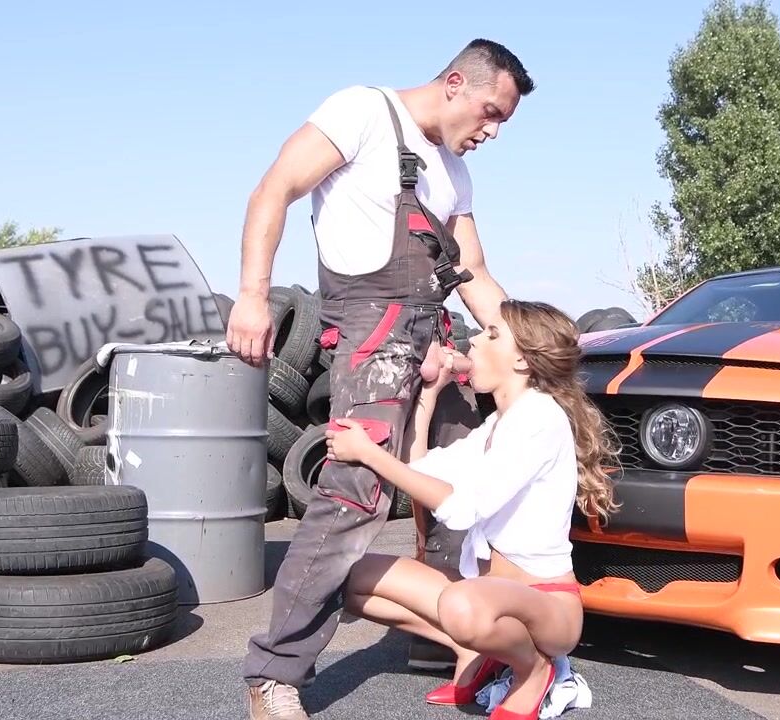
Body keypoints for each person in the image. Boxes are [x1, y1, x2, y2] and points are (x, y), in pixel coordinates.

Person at [227, 39, 536, 720]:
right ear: (455, 83)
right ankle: (274, 672)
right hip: (373, 341)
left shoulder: (455, 173)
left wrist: (529, 347)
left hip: (436, 340)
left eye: (502, 122)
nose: (491, 132)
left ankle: (462, 642)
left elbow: (476, 274)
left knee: (467, 490)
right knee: (355, 497)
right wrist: (252, 295)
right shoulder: (363, 113)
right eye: (490, 113)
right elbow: (273, 189)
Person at [326, 299, 621, 719]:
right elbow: (419, 471)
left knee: (462, 605)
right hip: (483, 594)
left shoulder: (539, 418)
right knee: (349, 576)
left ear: (522, 360)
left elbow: (463, 507)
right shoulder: (498, 423)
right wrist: (430, 394)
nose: (476, 341)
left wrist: (369, 455)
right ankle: (478, 652)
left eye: (492, 335)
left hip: (546, 607)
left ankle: (534, 668)